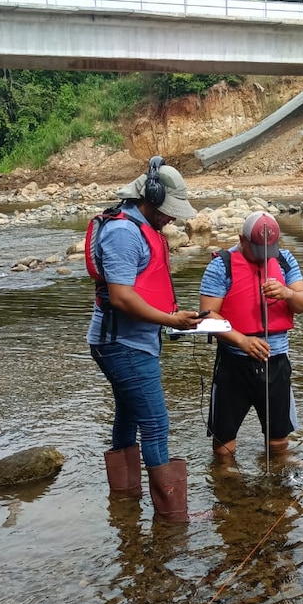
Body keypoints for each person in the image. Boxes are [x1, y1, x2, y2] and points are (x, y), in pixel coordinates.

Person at [86, 156, 202, 520]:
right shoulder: (123, 232)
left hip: (125, 341)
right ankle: (172, 518)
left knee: (129, 415)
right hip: (122, 345)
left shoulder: (139, 227)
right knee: (155, 423)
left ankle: (125, 501)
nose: (171, 218)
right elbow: (121, 297)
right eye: (167, 210)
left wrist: (172, 320)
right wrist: (171, 320)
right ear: (148, 198)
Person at [199, 211, 303, 460]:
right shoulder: (221, 264)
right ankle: (227, 485)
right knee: (223, 443)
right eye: (258, 250)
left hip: (276, 362)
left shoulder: (284, 260)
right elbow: (207, 315)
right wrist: (242, 340)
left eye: (268, 250)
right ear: (242, 238)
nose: (263, 257)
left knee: (279, 440)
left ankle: (278, 487)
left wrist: (287, 294)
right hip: (234, 363)